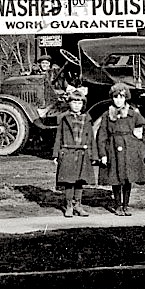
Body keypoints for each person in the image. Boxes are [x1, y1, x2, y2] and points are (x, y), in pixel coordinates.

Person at [96, 83, 145, 216]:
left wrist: (141, 146)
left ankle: (125, 205)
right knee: (115, 177)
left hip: (129, 150)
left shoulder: (133, 114)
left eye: (121, 97)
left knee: (128, 178)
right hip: (113, 149)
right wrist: (103, 154)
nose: (118, 100)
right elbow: (102, 136)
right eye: (116, 97)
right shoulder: (107, 115)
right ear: (112, 98)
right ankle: (117, 206)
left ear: (126, 98)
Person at [53, 90, 97, 218]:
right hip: (68, 153)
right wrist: (56, 154)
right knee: (69, 181)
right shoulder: (64, 119)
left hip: (82, 153)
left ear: (83, 104)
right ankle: (69, 206)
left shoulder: (87, 119)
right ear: (69, 103)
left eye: (79, 102)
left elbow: (91, 138)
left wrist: (93, 155)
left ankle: (78, 205)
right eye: (74, 102)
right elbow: (58, 137)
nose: (77, 105)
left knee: (79, 181)